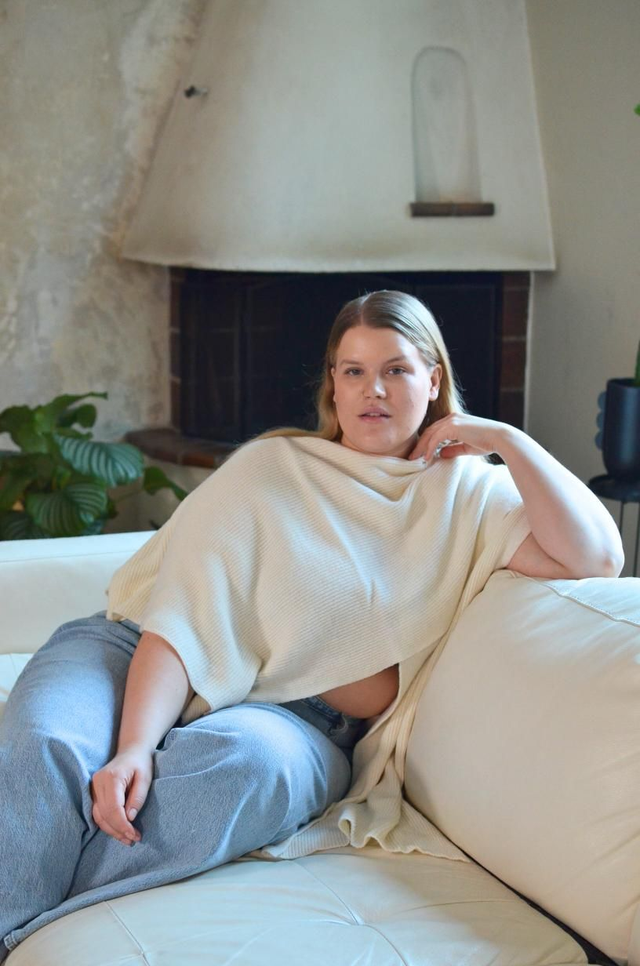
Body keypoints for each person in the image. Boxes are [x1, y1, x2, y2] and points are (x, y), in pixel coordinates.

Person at [0, 290, 623, 961]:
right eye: (353, 371)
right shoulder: (273, 468)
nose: (372, 389)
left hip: (297, 723)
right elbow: (179, 621)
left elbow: (596, 557)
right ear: (333, 383)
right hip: (131, 651)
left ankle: (24, 917)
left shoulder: (470, 496)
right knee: (49, 747)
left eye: (396, 369)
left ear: (433, 379)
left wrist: (505, 439)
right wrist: (132, 749)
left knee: (242, 768)